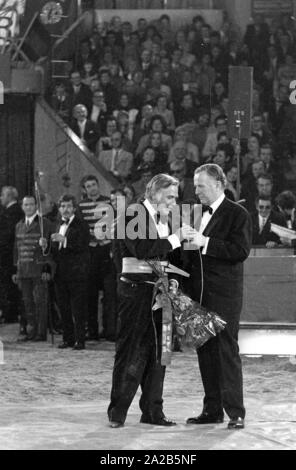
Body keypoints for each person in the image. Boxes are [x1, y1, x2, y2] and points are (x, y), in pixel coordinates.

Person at [107, 174, 195, 428]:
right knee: (131, 350)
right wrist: (176, 238)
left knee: (161, 352)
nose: (173, 201)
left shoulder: (167, 219)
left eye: (175, 197)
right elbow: (143, 250)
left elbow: (170, 257)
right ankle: (118, 412)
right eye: (170, 197)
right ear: (154, 193)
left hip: (162, 293)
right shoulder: (132, 213)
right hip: (136, 294)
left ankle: (153, 411)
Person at [185, 164, 252, 430]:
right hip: (199, 295)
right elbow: (189, 256)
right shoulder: (194, 213)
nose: (196, 190)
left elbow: (240, 250)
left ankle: (235, 412)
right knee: (206, 352)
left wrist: (206, 242)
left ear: (217, 184)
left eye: (200, 185)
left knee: (226, 352)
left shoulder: (238, 214)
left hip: (224, 296)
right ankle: (212, 410)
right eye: (195, 185)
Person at [52, 195, 90, 350]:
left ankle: (80, 340)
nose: (65, 209)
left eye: (68, 206)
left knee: (78, 308)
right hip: (60, 273)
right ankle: (67, 338)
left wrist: (64, 240)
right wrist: (46, 245)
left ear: (74, 208)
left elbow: (82, 245)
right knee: (64, 307)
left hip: (76, 273)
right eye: (62, 206)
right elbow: (55, 251)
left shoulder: (81, 225)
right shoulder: (57, 224)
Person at [13, 196, 52, 341]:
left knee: (40, 302)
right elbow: (16, 249)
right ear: (22, 207)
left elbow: (51, 250)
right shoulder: (19, 225)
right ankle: (31, 330)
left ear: (36, 206)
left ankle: (41, 333)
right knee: (27, 303)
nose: (28, 207)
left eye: (31, 204)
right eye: (26, 205)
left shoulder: (44, 223)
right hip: (23, 269)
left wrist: (46, 246)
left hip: (38, 269)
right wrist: (16, 270)